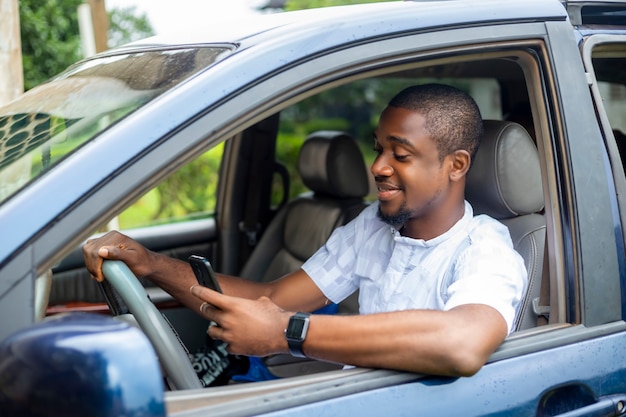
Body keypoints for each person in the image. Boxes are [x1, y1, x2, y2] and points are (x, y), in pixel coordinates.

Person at [83, 83, 526, 377]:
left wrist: (288, 333)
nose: (377, 167)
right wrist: (152, 265)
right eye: (377, 149)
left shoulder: (484, 248)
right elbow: (271, 301)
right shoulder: (374, 227)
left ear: (457, 165)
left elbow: (462, 343)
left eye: (401, 154)